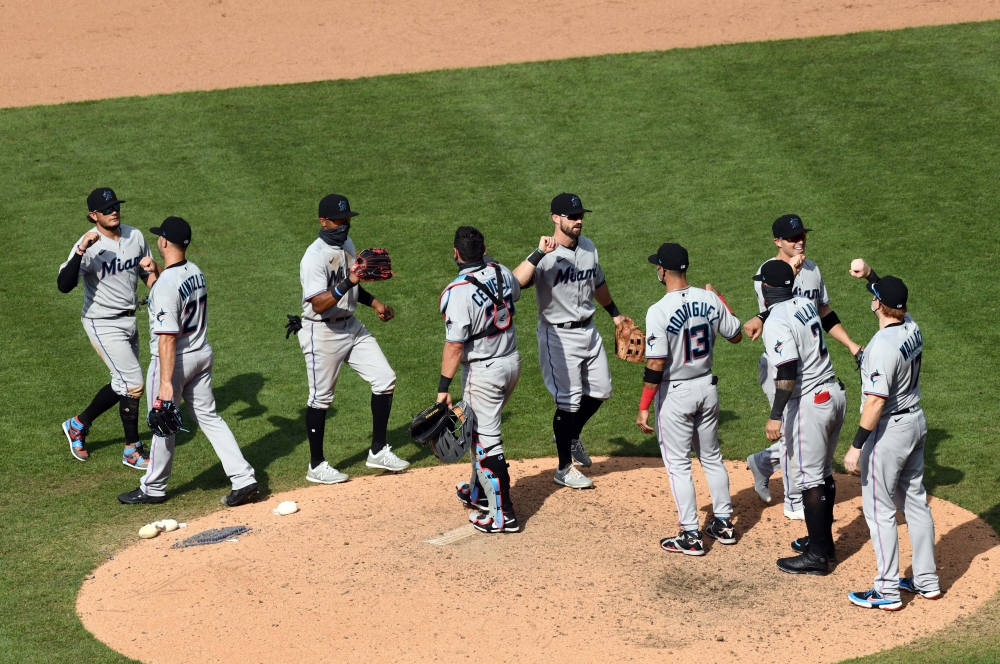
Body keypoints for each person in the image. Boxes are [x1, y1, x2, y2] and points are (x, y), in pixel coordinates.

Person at [118, 216, 258, 506]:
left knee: (162, 423)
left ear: (164, 242)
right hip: (201, 354)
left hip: (174, 361)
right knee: (209, 417)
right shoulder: (195, 271)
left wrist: (166, 385)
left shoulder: (166, 286)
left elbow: (167, 336)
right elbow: (172, 290)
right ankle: (244, 478)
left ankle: (153, 487)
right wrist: (155, 270)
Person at [743, 214, 862, 520]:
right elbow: (777, 310)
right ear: (778, 242)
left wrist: (850, 344)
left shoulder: (812, 268)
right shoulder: (766, 273)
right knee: (789, 430)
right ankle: (794, 501)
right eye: (793, 238)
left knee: (795, 432)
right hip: (780, 367)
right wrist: (789, 276)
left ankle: (763, 463)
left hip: (808, 366)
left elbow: (822, 311)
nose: (800, 241)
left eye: (802, 236)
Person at [512, 193, 630, 489]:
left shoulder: (589, 247)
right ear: (555, 218)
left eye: (580, 216)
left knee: (602, 390)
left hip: (589, 330)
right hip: (558, 336)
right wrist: (538, 253)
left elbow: (598, 284)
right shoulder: (545, 255)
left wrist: (615, 315)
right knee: (568, 402)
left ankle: (570, 434)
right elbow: (517, 283)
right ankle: (564, 468)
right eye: (572, 216)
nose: (578, 221)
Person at [844, 261, 940, 610]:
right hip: (916, 422)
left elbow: (874, 403)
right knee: (914, 501)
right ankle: (927, 581)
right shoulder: (911, 325)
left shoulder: (880, 347)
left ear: (876, 305)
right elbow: (888, 295)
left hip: (890, 432)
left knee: (879, 510)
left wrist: (856, 447)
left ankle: (886, 591)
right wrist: (871, 275)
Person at [636, 243, 743, 556]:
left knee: (679, 465)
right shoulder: (709, 298)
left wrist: (643, 406)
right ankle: (723, 523)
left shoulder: (658, 310)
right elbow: (735, 334)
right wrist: (720, 299)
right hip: (707, 389)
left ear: (663, 271)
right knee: (711, 456)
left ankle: (690, 535)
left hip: (676, 394)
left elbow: (655, 363)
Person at [295, 194, 406, 485]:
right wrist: (350, 281)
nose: (344, 226)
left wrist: (376, 303)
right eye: (339, 221)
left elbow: (352, 287)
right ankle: (316, 466)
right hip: (322, 332)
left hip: (351, 326)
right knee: (320, 399)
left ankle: (378, 450)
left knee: (385, 378)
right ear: (323, 222)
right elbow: (319, 303)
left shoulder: (347, 244)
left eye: (347, 221)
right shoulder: (314, 258)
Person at [58, 187, 159, 469]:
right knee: (133, 384)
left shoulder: (134, 235)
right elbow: (64, 286)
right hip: (101, 322)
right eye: (106, 209)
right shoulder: (89, 245)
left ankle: (77, 424)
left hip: (129, 319)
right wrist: (81, 249)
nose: (113, 211)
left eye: (115, 206)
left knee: (123, 384)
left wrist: (157, 279)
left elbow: (147, 273)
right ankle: (132, 449)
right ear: (93, 216)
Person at [757, 260, 846, 575]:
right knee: (823, 475)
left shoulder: (776, 321)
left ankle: (818, 556)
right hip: (834, 394)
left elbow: (787, 368)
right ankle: (823, 544)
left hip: (810, 403)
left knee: (810, 480)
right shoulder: (806, 304)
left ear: (766, 288)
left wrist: (775, 415)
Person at [438, 227, 522, 533]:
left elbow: (454, 345)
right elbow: (516, 291)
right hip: (512, 363)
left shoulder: (456, 292)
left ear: (456, 253)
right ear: (484, 249)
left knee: (485, 442)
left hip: (483, 373)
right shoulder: (502, 271)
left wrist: (442, 390)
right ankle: (478, 494)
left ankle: (504, 516)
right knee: (479, 432)